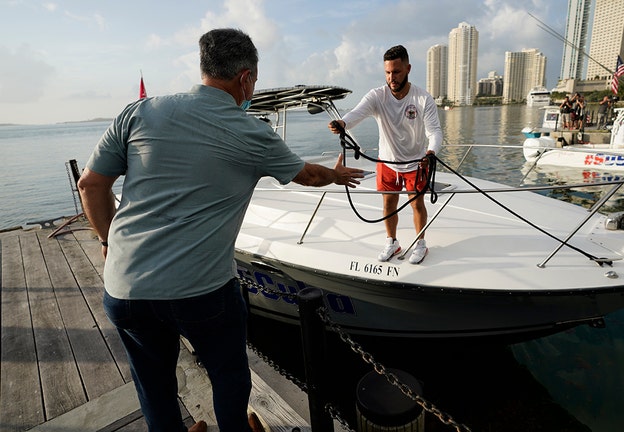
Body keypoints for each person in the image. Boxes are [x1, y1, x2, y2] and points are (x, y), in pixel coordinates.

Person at [77, 28, 363, 432]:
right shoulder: (251, 132)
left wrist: (107, 240)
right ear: (245, 79)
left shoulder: (139, 111)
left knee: (153, 385)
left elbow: (90, 185)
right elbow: (309, 176)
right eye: (255, 81)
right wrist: (335, 175)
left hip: (126, 288)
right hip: (202, 292)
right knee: (229, 374)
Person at [328, 45, 442, 265]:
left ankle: (420, 243)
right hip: (387, 163)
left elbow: (435, 131)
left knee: (417, 205)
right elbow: (357, 113)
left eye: (397, 72)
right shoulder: (377, 96)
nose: (392, 77)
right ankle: (392, 242)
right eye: (388, 72)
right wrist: (342, 123)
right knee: (388, 205)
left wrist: (431, 152)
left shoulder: (423, 99)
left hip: (416, 162)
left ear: (408, 68)